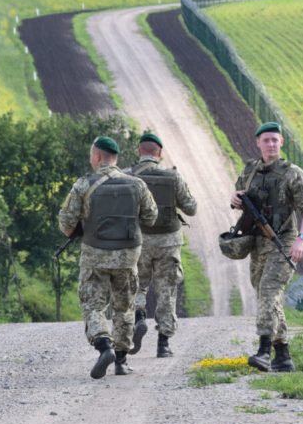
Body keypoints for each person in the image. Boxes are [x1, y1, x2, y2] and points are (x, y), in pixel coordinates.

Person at [57, 135, 157, 379]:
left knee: (93, 305)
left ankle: (104, 346)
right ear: (116, 158)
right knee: (125, 306)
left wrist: (82, 228)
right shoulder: (137, 184)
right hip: (127, 257)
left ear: (97, 156)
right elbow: (151, 217)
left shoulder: (83, 184)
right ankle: (121, 361)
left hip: (95, 256)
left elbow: (66, 224)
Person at [229, 121, 303, 372]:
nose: (270, 144)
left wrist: (301, 239)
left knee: (268, 290)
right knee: (267, 296)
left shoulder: (293, 173)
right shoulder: (251, 171)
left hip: (284, 243)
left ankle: (264, 350)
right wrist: (234, 198)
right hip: (257, 243)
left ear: (281, 143)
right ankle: (283, 355)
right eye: (265, 140)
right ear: (258, 143)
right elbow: (239, 196)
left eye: (274, 140)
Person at [125, 130, 198, 358]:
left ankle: (138, 317)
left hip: (138, 241)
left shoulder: (128, 176)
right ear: (160, 153)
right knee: (167, 290)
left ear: (139, 151)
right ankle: (163, 344)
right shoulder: (172, 177)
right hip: (168, 242)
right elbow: (191, 208)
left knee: (137, 285)